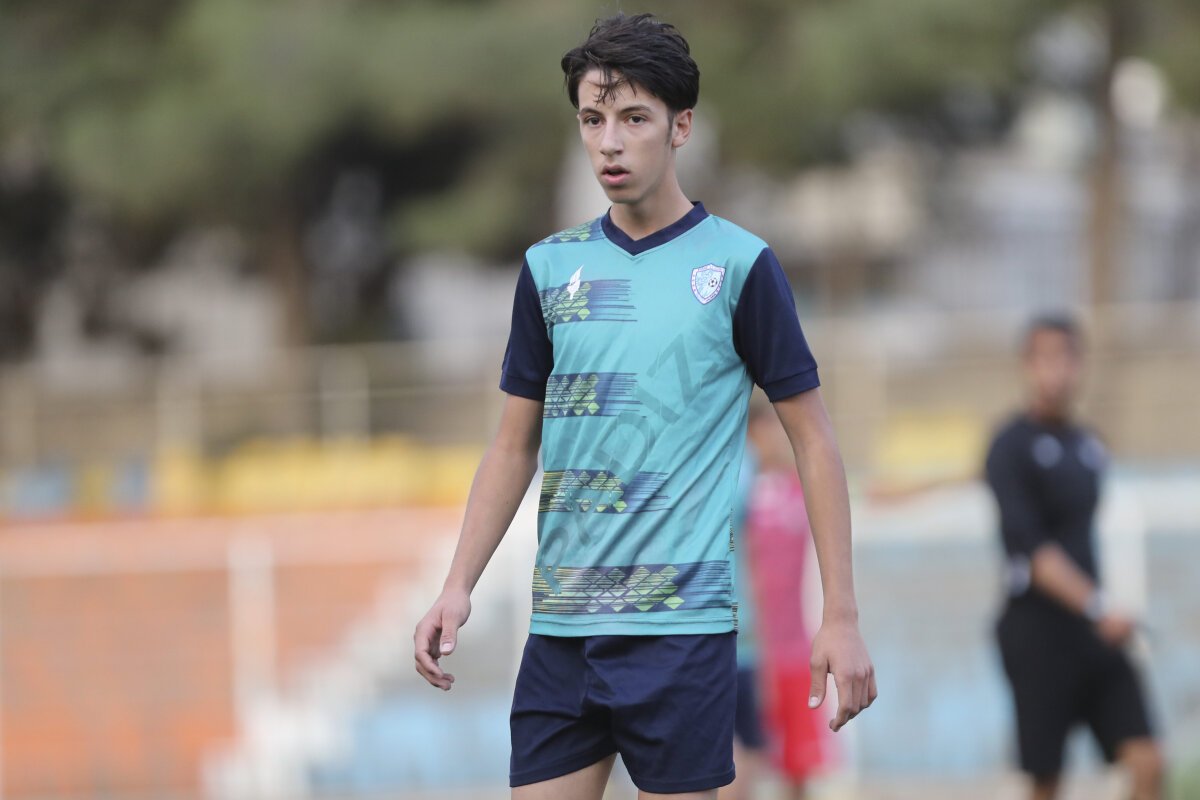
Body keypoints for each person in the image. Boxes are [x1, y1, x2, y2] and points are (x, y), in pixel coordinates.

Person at [413, 13, 875, 799]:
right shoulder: (548, 269)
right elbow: (513, 445)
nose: (609, 142)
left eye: (633, 118)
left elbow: (814, 442)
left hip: (681, 636)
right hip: (562, 634)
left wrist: (841, 615)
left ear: (680, 126)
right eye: (592, 120)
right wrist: (458, 584)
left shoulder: (740, 266)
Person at [985, 314, 1164, 800]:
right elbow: (1034, 551)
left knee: (1147, 759)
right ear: (1027, 365)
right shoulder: (1009, 445)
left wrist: (1096, 611)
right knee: (1047, 779)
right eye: (1044, 358)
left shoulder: (1089, 445)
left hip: (1091, 630)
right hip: (1037, 628)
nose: (1056, 370)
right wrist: (1098, 606)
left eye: (1066, 357)